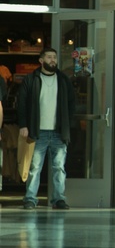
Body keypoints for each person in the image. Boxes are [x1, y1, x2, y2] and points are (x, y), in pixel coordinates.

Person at [18, 46, 76, 210]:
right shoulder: (31, 79)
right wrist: (23, 125)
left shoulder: (63, 80)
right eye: (49, 57)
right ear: (41, 60)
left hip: (58, 132)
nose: (53, 60)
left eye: (55, 57)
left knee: (59, 167)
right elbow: (22, 104)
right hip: (38, 131)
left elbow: (72, 103)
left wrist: (67, 125)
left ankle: (58, 199)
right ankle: (30, 199)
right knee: (35, 167)